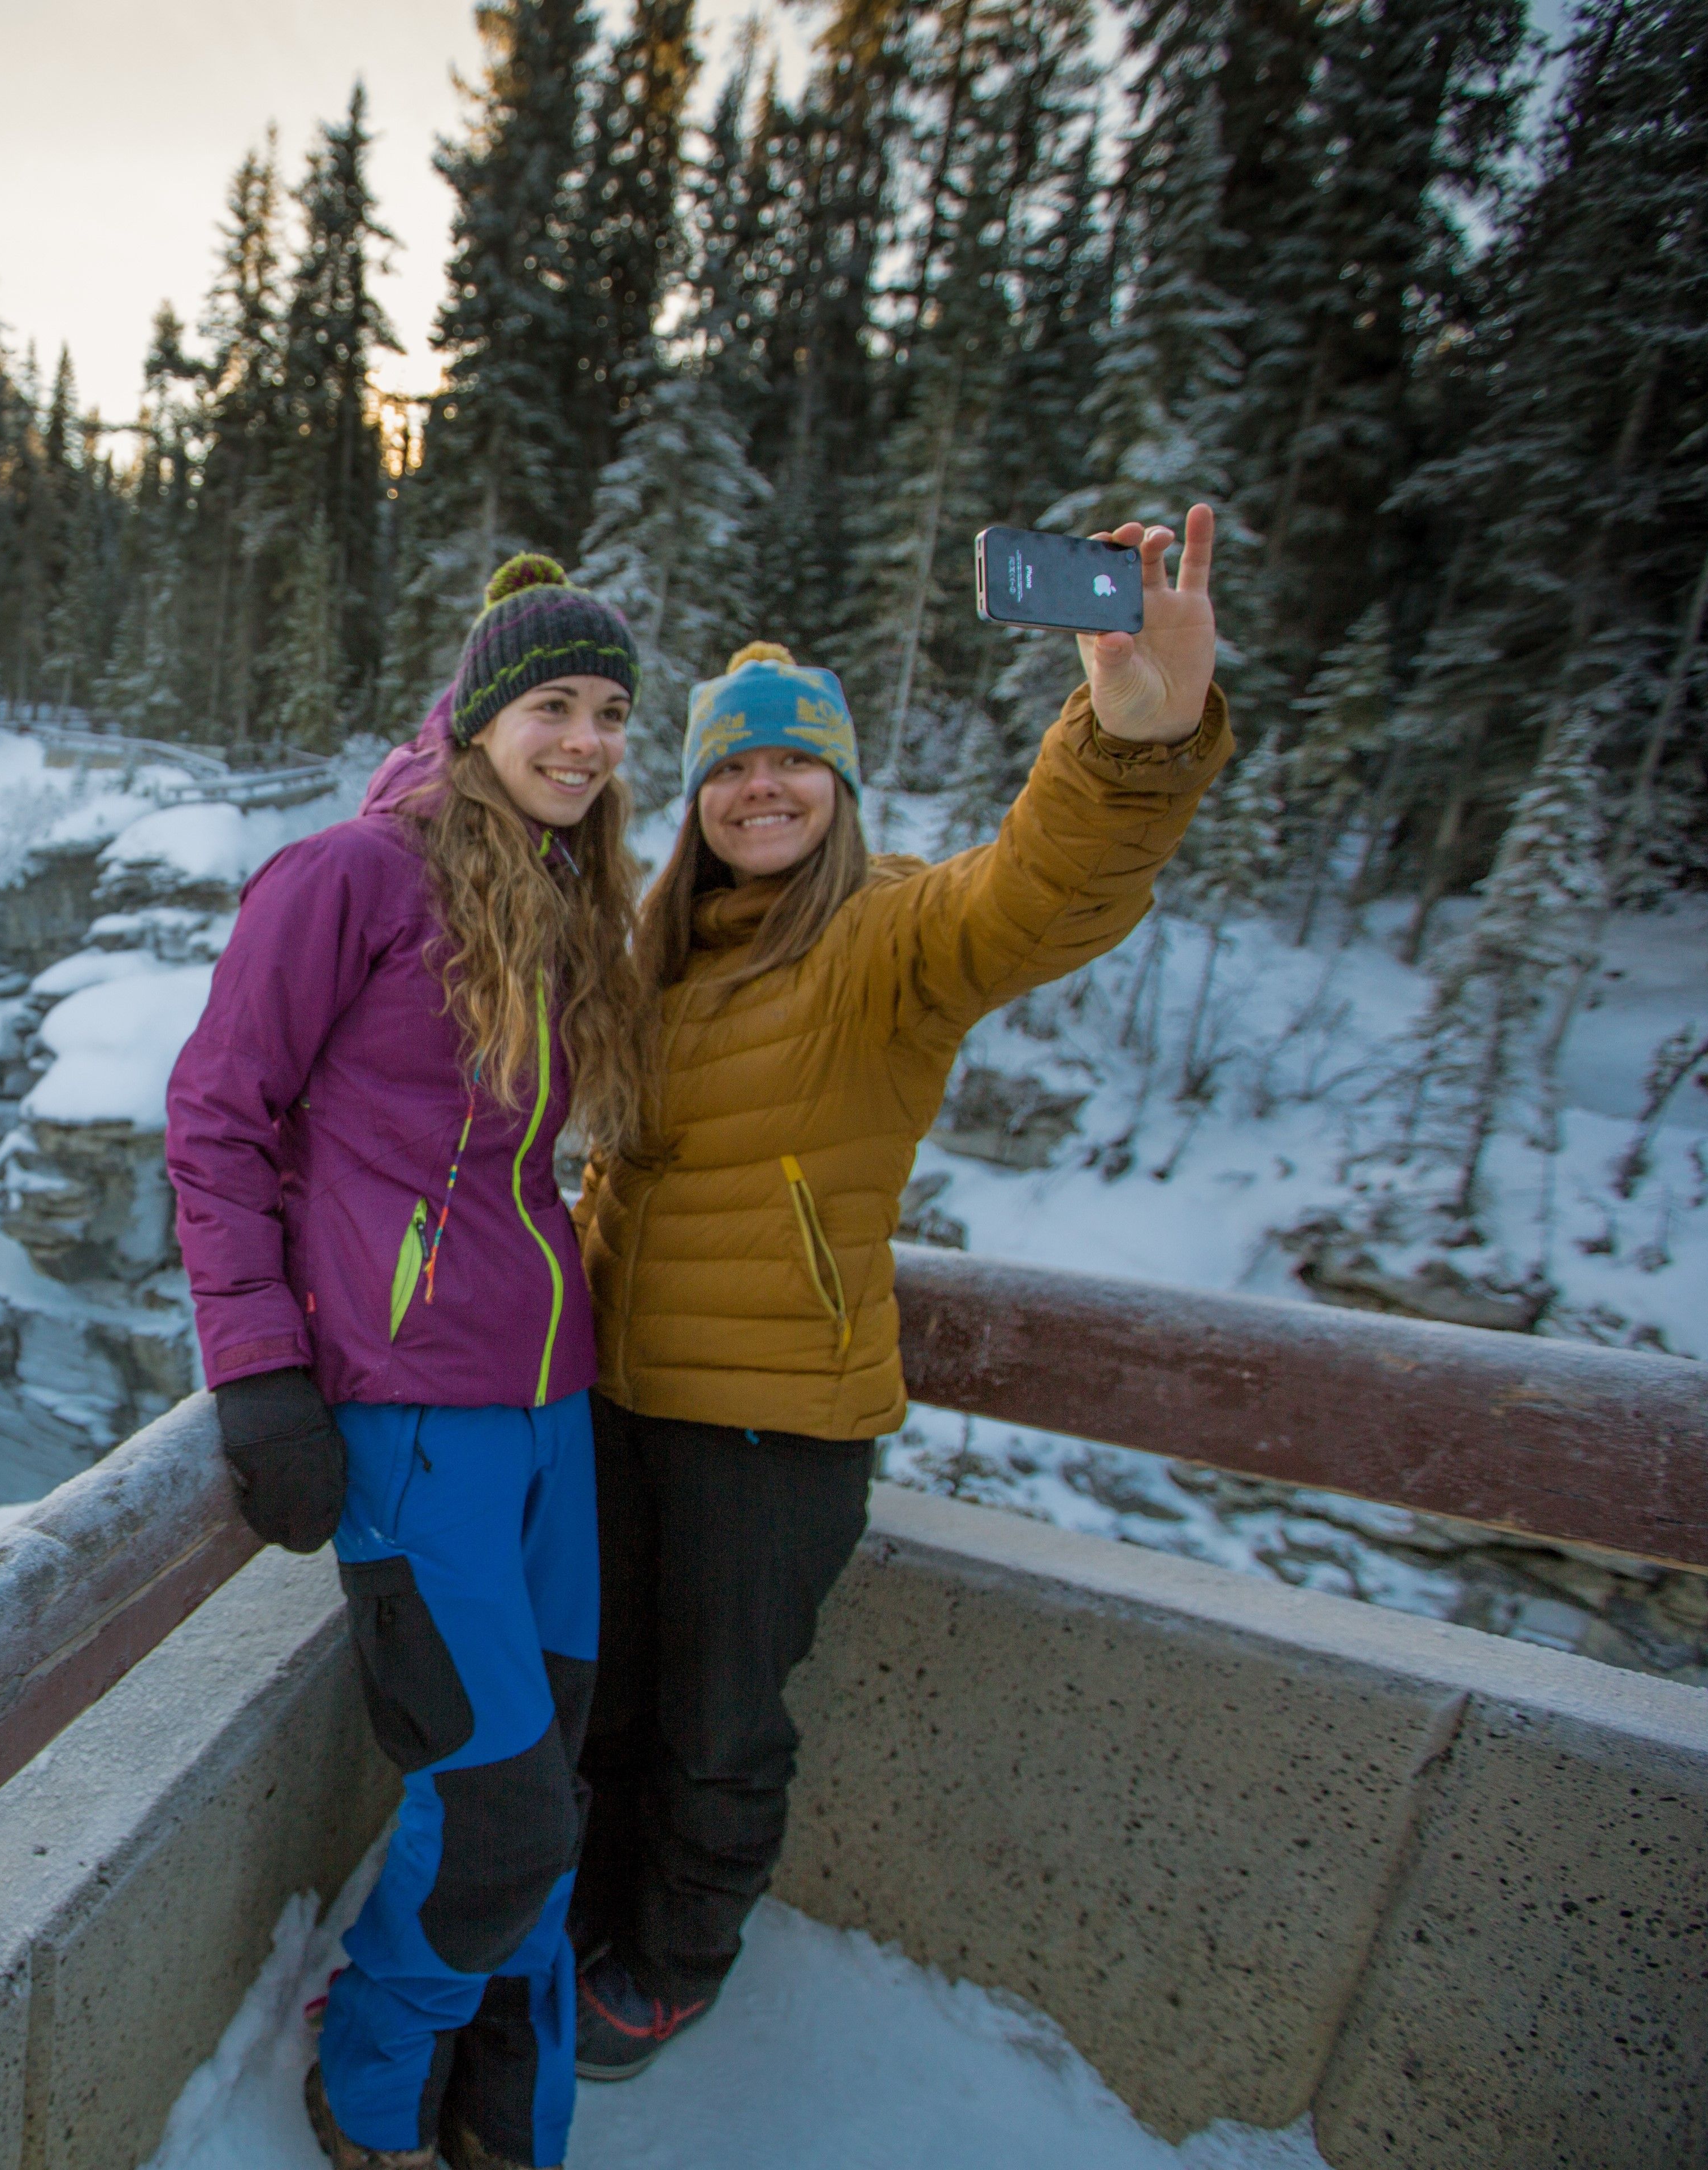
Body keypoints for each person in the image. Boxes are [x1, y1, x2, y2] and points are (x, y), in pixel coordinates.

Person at [566, 510, 1231, 2078]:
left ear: (840, 787)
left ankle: (668, 1964)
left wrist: (1134, 742)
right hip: (609, 1403)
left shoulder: (885, 940)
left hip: (772, 1433)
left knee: (720, 1726)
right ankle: (577, 1917)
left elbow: (1043, 892)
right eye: (732, 766)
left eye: (795, 763)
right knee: (602, 1703)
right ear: (699, 796)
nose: (762, 787)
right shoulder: (650, 954)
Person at [166, 554, 645, 2170]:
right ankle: (370, 2082)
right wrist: (259, 1374)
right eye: (554, 708)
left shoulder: (565, 897)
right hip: (414, 1422)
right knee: (498, 1794)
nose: (583, 742)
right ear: (484, 714)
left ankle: (512, 2088)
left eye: (611, 714)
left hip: (551, 1410)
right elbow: (215, 1120)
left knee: (538, 1770)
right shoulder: (351, 879)